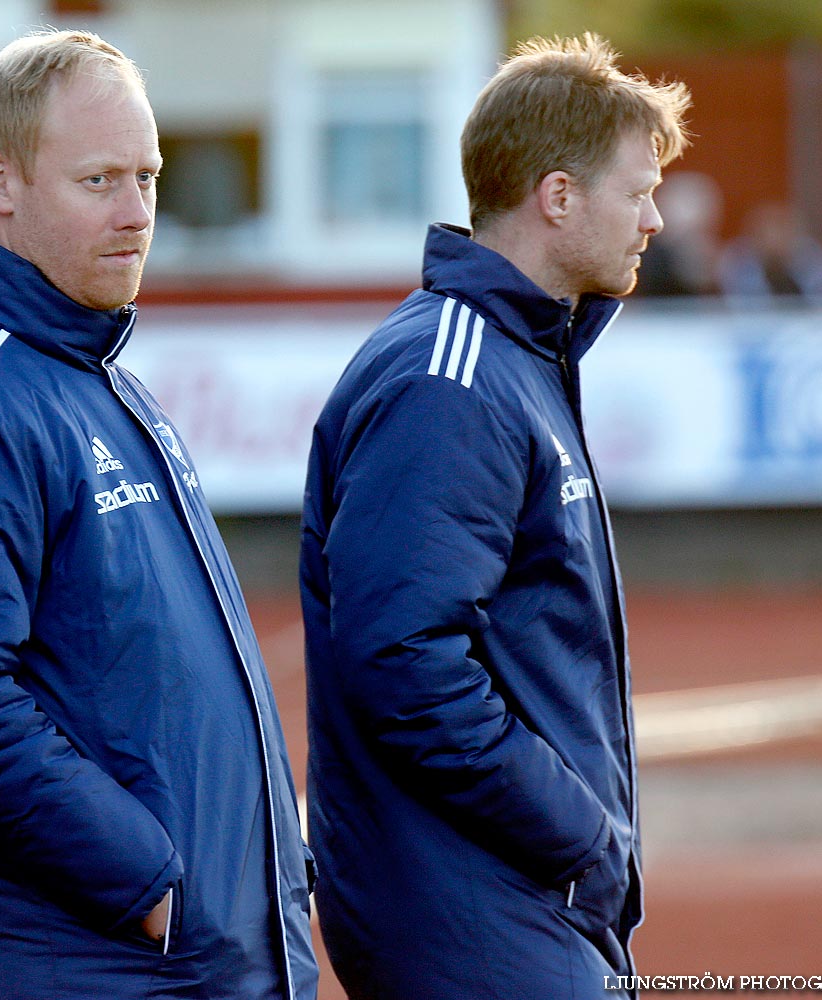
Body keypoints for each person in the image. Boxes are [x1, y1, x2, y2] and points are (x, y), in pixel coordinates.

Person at [0, 29, 316, 1000]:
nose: (138, 213)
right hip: (109, 967)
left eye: (147, 176)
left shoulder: (104, 382)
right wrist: (148, 883)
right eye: (100, 180)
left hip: (201, 960)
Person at [300, 33, 690, 1000]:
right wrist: (578, 831)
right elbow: (402, 658)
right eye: (636, 191)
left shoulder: (511, 361)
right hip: (468, 906)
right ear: (556, 198)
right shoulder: (452, 380)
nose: (655, 218)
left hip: (510, 895)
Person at [718, 200, 822, 304]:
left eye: (781, 231)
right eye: (767, 233)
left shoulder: (812, 257)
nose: (775, 240)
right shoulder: (738, 259)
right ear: (755, 236)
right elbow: (739, 305)